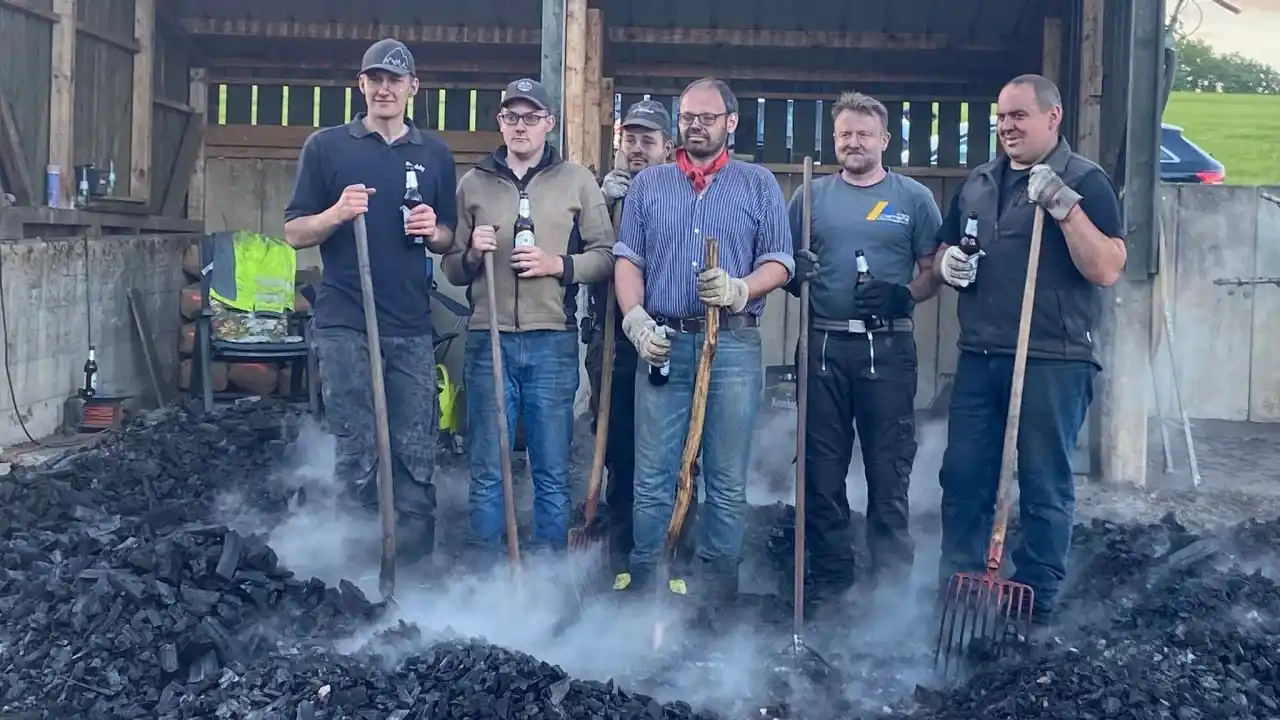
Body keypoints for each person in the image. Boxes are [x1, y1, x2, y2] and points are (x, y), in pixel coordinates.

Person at [934, 74, 1127, 625]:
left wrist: (1065, 207)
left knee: (1044, 481)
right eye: (1001, 117)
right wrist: (949, 263)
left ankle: (1036, 598)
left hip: (1053, 358)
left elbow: (1107, 268)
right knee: (964, 476)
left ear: (1052, 116)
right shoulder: (979, 182)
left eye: (1019, 115)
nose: (1007, 126)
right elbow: (946, 246)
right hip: (981, 353)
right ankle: (961, 589)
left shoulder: (1085, 180)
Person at [614, 77, 793, 603]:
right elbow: (628, 260)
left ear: (730, 123)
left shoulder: (758, 184)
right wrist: (635, 320)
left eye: (707, 117)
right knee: (652, 471)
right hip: (664, 340)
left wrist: (741, 289)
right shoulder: (648, 186)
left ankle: (718, 588)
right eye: (688, 116)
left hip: (732, 346)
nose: (695, 125)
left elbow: (779, 262)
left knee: (726, 475)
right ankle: (646, 577)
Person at [283, 39, 456, 565]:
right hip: (345, 321)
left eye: (394, 80)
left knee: (415, 449)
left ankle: (414, 567)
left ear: (412, 88)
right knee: (357, 449)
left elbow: (448, 237)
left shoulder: (434, 154)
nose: (385, 88)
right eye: (375, 79)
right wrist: (336, 213)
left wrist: (433, 230)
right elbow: (294, 232)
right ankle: (354, 568)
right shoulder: (327, 147)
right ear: (361, 85)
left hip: (410, 322)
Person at [441, 78, 616, 555]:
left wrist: (557, 265)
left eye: (531, 117)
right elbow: (451, 269)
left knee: (551, 470)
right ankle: (483, 577)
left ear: (549, 123)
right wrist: (472, 254)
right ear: (500, 123)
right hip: (489, 338)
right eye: (511, 117)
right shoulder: (473, 183)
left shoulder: (577, 181)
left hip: (552, 341)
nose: (521, 126)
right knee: (487, 467)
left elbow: (606, 256)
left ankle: (547, 579)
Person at [785, 92, 943, 609]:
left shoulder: (913, 198)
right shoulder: (809, 196)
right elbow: (781, 263)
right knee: (821, 471)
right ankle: (832, 583)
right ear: (834, 140)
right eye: (845, 134)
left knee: (888, 468)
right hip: (823, 344)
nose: (853, 142)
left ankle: (890, 593)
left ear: (884, 140)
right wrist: (793, 274)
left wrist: (904, 294)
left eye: (864, 134)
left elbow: (933, 272)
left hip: (888, 347)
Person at [584, 100, 698, 594]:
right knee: (621, 450)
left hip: (669, 338)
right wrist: (601, 208)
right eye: (629, 139)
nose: (636, 148)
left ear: (668, 147)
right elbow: (583, 258)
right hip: (614, 340)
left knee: (677, 455)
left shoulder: (684, 193)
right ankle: (624, 558)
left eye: (647, 140)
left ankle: (676, 555)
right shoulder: (600, 195)